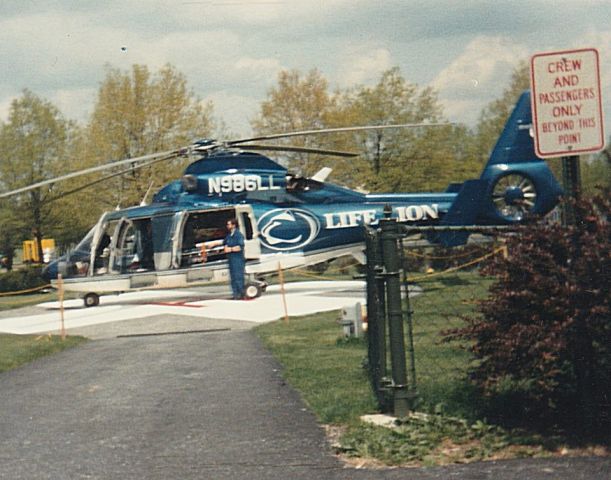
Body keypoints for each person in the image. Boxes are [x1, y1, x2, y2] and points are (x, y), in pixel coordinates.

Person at [209, 218, 246, 299]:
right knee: (233, 277)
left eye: (229, 224)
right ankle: (235, 294)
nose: (227, 226)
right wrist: (213, 244)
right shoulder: (229, 236)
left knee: (238, 276)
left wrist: (230, 249)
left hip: (237, 259)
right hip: (231, 259)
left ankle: (241, 293)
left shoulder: (238, 235)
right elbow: (223, 242)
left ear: (234, 225)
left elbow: (240, 247)